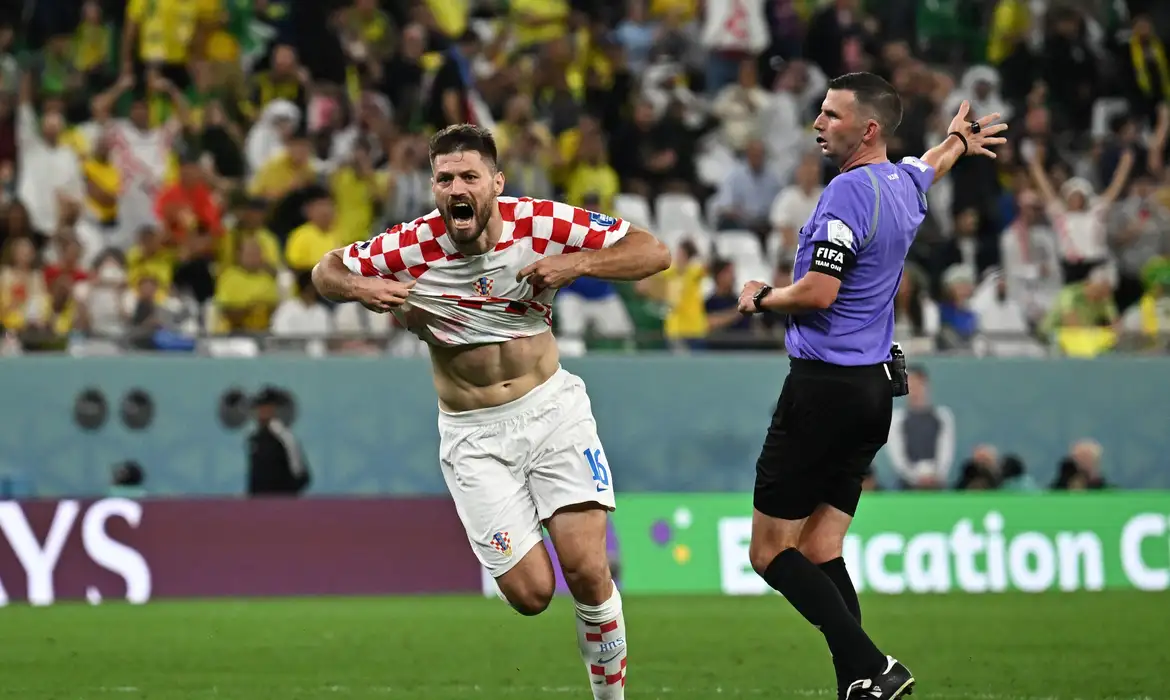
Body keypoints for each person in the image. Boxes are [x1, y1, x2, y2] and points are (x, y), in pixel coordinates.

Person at [310, 124, 670, 699]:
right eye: (445, 178)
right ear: (433, 186)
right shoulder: (409, 247)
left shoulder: (542, 225)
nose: (457, 187)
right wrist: (359, 289)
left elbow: (654, 251)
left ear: (496, 183)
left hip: (552, 411)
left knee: (586, 568)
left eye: (469, 176)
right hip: (473, 435)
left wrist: (576, 265)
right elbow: (324, 270)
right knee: (531, 595)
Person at [735, 72, 1006, 700]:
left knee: (771, 552)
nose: (818, 123)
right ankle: (856, 684)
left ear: (869, 128)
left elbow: (819, 292)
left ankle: (874, 665)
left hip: (823, 390)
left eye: (832, 114)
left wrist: (760, 296)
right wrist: (957, 143)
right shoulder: (903, 183)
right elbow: (930, 164)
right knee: (823, 545)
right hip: (872, 392)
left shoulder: (848, 193)